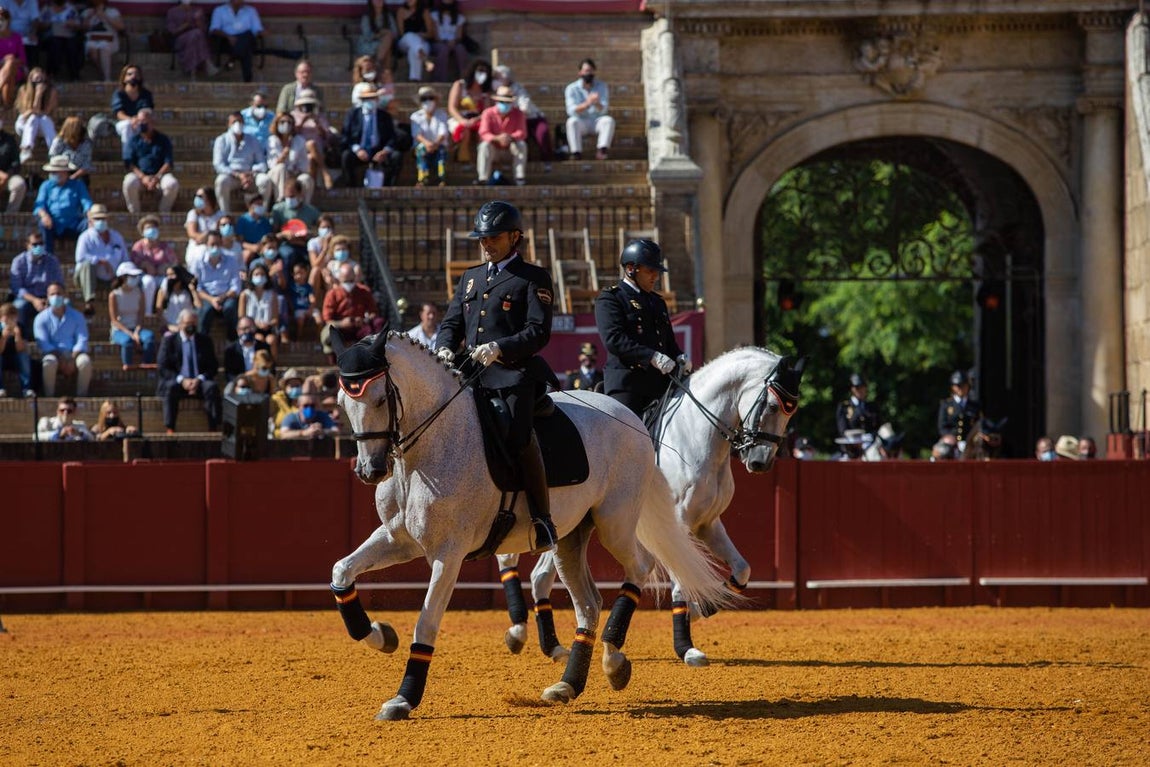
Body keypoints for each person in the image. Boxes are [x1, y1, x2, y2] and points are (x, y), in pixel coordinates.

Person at [435, 200, 557, 552]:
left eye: (493, 238)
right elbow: (451, 323)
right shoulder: (470, 277)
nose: (486, 244)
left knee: (517, 436)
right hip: (469, 372)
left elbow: (538, 332)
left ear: (514, 237)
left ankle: (541, 517)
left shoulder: (534, 278)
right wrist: (444, 347)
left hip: (511, 373)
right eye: (482, 238)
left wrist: (500, 348)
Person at [594, 239, 689, 417]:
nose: (655, 276)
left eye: (657, 272)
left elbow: (668, 341)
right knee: (625, 437)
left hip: (660, 384)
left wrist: (679, 355)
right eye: (650, 271)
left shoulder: (657, 302)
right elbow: (614, 340)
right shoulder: (611, 298)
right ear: (631, 268)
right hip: (628, 384)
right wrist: (651, 356)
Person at [156, 308, 221, 433]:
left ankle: (214, 427)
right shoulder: (169, 341)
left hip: (199, 381)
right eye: (188, 324)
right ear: (180, 324)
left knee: (212, 387)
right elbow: (163, 367)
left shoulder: (205, 341)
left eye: (194, 324)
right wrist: (182, 380)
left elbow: (213, 366)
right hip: (178, 381)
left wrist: (199, 379)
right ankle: (170, 428)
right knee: (170, 388)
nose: (191, 327)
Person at [33, 281, 92, 397]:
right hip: (53, 354)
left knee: (85, 361)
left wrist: (71, 359)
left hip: (74, 354)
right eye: (52, 294)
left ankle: (82, 397)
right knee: (48, 363)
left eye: (59, 293)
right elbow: (43, 343)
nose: (56, 297)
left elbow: (82, 339)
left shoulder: (77, 316)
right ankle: (49, 396)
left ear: (65, 295)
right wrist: (61, 358)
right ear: (47, 297)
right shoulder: (40, 318)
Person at [321, 261, 386, 360]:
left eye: (351, 281)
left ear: (355, 278)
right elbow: (327, 319)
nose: (349, 284)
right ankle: (337, 360)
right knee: (331, 332)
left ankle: (373, 356)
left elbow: (374, 312)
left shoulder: (363, 291)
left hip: (360, 327)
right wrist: (342, 323)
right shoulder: (332, 294)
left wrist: (364, 320)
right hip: (341, 329)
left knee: (378, 323)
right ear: (340, 278)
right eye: (346, 281)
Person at [213, 110, 271, 214]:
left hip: (251, 176)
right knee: (221, 181)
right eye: (234, 122)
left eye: (240, 121)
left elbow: (262, 163)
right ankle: (225, 214)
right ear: (228, 124)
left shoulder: (253, 140)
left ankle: (262, 211)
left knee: (265, 180)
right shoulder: (221, 140)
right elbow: (218, 164)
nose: (237, 124)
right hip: (232, 176)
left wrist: (250, 173)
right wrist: (238, 175)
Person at [122, 109, 179, 214]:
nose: (141, 124)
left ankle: (163, 212)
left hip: (159, 176)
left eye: (144, 121)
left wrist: (157, 177)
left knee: (172, 183)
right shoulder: (133, 140)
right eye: (139, 121)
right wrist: (143, 177)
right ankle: (135, 213)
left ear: (152, 122)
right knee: (129, 182)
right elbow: (129, 163)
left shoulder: (163, 139)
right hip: (140, 176)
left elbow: (168, 161)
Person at [73, 203, 127, 316]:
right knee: (87, 265)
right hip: (89, 278)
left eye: (103, 219)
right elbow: (80, 257)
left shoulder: (116, 237)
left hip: (111, 278)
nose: (100, 221)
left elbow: (125, 258)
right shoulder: (85, 237)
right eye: (97, 219)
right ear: (91, 221)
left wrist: (118, 276)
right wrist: (101, 261)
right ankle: (89, 301)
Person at [493, 64, 552, 165]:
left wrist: (514, 114)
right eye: (497, 77)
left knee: (542, 133)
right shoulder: (495, 91)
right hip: (513, 121)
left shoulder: (518, 89)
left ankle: (547, 160)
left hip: (531, 118)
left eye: (501, 77)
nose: (500, 79)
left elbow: (524, 106)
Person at [341, 88, 400, 187]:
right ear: (362, 101)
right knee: (346, 156)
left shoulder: (384, 116)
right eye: (366, 99)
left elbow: (392, 137)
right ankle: (351, 187)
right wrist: (358, 150)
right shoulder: (353, 115)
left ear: (377, 100)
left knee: (396, 156)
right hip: (359, 150)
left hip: (379, 151)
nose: (369, 101)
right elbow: (346, 136)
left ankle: (388, 188)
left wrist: (385, 151)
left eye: (372, 98)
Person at [34, 154, 91, 252]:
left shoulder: (78, 185)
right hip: (53, 224)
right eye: (52, 172)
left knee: (88, 224)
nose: (53, 174)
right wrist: (44, 215)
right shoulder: (46, 185)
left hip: (74, 224)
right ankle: (48, 257)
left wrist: (90, 213)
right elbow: (39, 205)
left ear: (65, 172)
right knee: (42, 224)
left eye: (55, 172)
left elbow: (86, 202)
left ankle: (85, 256)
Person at [9, 231, 62, 335]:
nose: (38, 247)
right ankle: (23, 339)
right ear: (27, 245)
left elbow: (58, 283)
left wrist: (49, 299)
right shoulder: (19, 261)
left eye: (41, 244)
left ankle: (58, 340)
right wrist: (34, 300)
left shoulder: (52, 261)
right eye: (35, 244)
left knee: (64, 304)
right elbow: (17, 287)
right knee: (19, 306)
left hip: (48, 296)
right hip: (27, 298)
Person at [193, 229, 241, 339]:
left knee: (230, 308)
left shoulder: (231, 260)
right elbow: (197, 287)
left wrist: (222, 297)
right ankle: (202, 343)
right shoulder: (198, 262)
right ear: (206, 245)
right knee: (205, 311)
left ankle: (233, 341)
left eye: (218, 244)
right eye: (212, 244)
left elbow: (235, 287)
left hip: (226, 296)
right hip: (207, 297)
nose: (215, 247)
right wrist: (211, 299)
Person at [564, 57, 614, 160]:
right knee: (571, 122)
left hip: (596, 120)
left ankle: (602, 150)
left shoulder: (602, 86)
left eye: (591, 71)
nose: (589, 74)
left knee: (608, 120)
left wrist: (597, 103)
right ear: (580, 73)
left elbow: (604, 109)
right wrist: (587, 103)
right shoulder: (571, 89)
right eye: (586, 71)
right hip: (581, 120)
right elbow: (571, 110)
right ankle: (576, 152)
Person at [107, 262, 156, 367]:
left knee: (149, 337)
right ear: (123, 278)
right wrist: (131, 334)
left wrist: (137, 331)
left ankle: (146, 363)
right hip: (120, 330)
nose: (135, 279)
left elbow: (140, 316)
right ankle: (127, 365)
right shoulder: (114, 295)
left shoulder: (139, 293)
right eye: (131, 276)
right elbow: (114, 320)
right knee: (127, 341)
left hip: (136, 328)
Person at [476, 84, 526, 186]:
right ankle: (483, 178)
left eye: (507, 102)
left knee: (521, 145)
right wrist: (497, 138)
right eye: (502, 101)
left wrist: (510, 137)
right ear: (496, 101)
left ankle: (519, 177)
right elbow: (483, 133)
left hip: (510, 150)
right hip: (493, 150)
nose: (504, 104)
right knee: (484, 146)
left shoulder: (518, 113)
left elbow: (522, 132)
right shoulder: (488, 113)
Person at [287, 88, 335, 191]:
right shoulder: (293, 116)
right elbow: (291, 133)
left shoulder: (320, 116)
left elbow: (327, 136)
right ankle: (325, 172)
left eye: (310, 105)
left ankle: (311, 188)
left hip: (318, 150)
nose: (307, 107)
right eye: (305, 105)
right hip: (299, 148)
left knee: (311, 157)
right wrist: (303, 121)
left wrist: (318, 124)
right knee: (310, 144)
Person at [130, 213, 177, 315]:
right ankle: (148, 312)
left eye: (153, 227)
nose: (151, 229)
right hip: (144, 277)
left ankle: (165, 312)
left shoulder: (164, 246)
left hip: (161, 276)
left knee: (168, 282)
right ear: (142, 231)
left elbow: (174, 263)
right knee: (148, 282)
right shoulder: (138, 246)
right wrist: (144, 265)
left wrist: (166, 268)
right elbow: (132, 265)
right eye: (148, 228)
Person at [446, 58, 490, 163]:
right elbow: (452, 107)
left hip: (478, 119)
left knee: (484, 131)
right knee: (464, 132)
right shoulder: (460, 85)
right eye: (480, 71)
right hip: (460, 118)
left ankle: (483, 160)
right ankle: (462, 159)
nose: (482, 74)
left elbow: (487, 110)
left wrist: (477, 119)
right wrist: (463, 121)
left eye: (485, 72)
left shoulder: (486, 91)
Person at [266, 110, 313, 206]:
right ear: (277, 124)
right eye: (282, 122)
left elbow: (304, 165)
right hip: (276, 174)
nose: (286, 125)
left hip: (294, 174)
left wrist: (294, 173)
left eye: (289, 122)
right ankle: (280, 202)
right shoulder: (271, 140)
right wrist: (284, 153)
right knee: (281, 168)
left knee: (306, 178)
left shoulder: (299, 140)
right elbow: (272, 165)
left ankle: (304, 206)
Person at [208, 0, 262, 83]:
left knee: (246, 38)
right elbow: (214, 29)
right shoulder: (219, 10)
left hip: (246, 38)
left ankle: (232, 59)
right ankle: (247, 80)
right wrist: (228, 36)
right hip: (227, 40)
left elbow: (256, 29)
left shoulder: (251, 11)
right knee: (245, 49)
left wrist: (263, 32)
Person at [111, 63, 153, 162]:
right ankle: (128, 157)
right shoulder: (119, 94)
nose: (133, 76)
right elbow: (119, 114)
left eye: (136, 74)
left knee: (138, 127)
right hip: (123, 124)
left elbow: (146, 110)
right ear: (124, 78)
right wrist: (131, 120)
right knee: (127, 125)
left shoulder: (145, 94)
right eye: (129, 74)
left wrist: (138, 120)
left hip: (141, 123)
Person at [12, 66, 55, 162]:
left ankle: (54, 151)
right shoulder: (24, 90)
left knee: (44, 119)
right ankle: (26, 149)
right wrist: (37, 95)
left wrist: (39, 96)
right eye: (36, 80)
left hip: (41, 124)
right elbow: (26, 113)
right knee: (33, 118)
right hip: (24, 123)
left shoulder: (51, 91)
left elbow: (47, 112)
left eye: (41, 80)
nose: (39, 83)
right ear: (30, 80)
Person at [238, 261, 280, 358]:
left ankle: (272, 366)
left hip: (268, 328)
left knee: (271, 340)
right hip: (250, 329)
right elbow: (241, 317)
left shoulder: (272, 295)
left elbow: (275, 318)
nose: (259, 277)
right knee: (258, 338)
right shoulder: (245, 295)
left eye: (262, 274)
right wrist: (254, 323)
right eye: (256, 274)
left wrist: (267, 324)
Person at [166, 0, 216, 78]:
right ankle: (207, 62)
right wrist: (185, 25)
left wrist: (198, 20)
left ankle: (192, 69)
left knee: (196, 34)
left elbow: (204, 31)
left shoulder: (197, 11)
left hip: (196, 38)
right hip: (180, 39)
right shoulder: (172, 11)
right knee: (196, 34)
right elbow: (172, 31)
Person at [410, 84, 448, 186]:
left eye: (430, 98)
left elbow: (443, 132)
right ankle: (423, 178)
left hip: (438, 145)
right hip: (422, 145)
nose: (428, 101)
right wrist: (427, 144)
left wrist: (435, 144)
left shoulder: (442, 114)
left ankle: (441, 179)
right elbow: (417, 134)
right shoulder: (416, 116)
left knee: (441, 152)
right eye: (424, 98)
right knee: (421, 150)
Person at [937, 369, 981, 451]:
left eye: (963, 385)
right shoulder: (946, 405)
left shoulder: (975, 406)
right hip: (951, 442)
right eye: (958, 386)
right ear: (953, 387)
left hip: (971, 442)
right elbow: (942, 427)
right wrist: (950, 438)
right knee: (942, 451)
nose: (961, 388)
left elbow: (978, 424)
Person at [80, 0, 123, 81]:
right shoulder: (87, 12)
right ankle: (102, 72)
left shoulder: (113, 11)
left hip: (109, 40)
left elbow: (121, 27)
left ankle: (107, 78)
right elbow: (83, 28)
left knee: (104, 47)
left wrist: (104, 16)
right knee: (92, 48)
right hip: (93, 39)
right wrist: (89, 16)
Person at [39, 0, 81, 81]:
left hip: (68, 35)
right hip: (50, 35)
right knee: (55, 43)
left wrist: (73, 24)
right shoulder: (47, 9)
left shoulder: (71, 9)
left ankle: (74, 76)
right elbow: (39, 24)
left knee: (71, 45)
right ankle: (51, 74)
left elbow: (78, 25)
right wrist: (47, 24)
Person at [183, 186, 223, 271]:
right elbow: (192, 234)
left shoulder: (220, 215)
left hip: (215, 245)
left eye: (200, 196)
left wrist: (205, 237)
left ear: (209, 198)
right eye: (196, 196)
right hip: (196, 246)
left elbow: (221, 234)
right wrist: (207, 235)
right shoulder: (193, 213)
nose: (197, 199)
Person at [395, 0, 435, 83]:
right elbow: (401, 33)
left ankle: (414, 79)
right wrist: (414, 35)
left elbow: (431, 33)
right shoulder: (401, 11)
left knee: (413, 51)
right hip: (405, 41)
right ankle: (425, 60)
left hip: (421, 41)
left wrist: (421, 35)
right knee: (410, 36)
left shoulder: (424, 12)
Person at [47, 114, 92, 186]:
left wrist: (73, 177)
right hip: (60, 171)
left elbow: (86, 165)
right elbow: (53, 159)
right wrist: (65, 176)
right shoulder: (59, 141)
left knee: (82, 181)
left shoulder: (85, 143)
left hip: (78, 173)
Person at [0, 302, 34, 397]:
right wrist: (4, 337)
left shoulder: (20, 327)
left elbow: (21, 349)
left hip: (15, 357)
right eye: (7, 318)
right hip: (2, 357)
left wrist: (17, 336)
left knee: (24, 357)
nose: (10, 321)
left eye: (12, 317)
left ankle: (26, 389)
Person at [155, 264, 200, 334]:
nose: (170, 278)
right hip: (170, 326)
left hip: (187, 326)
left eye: (172, 274)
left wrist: (193, 291)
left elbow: (198, 306)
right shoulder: (164, 290)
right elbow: (159, 310)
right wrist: (168, 325)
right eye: (168, 275)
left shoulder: (188, 291)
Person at [223, 314, 269, 380]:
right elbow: (229, 374)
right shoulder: (231, 350)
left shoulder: (263, 347)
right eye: (244, 329)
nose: (247, 331)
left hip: (259, 382)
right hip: (239, 384)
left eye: (250, 328)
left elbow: (270, 369)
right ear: (238, 331)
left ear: (255, 329)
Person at [835, 372, 879, 438]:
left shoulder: (872, 407)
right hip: (852, 445)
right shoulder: (844, 407)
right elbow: (843, 431)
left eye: (862, 387)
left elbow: (878, 427)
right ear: (852, 389)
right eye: (857, 388)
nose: (860, 390)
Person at [357, 0, 396, 74]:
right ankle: (385, 73)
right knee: (387, 47)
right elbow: (367, 36)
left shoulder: (388, 16)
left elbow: (395, 33)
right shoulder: (367, 17)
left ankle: (378, 66)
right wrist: (381, 33)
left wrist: (386, 34)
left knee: (388, 39)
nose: (379, 1)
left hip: (385, 44)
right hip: (368, 44)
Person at [0, 7, 29, 106]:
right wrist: (4, 61)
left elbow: (23, 59)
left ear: (8, 21)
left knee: (11, 65)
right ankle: (7, 105)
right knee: (9, 77)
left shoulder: (17, 37)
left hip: (16, 69)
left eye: (2, 20)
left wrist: (10, 60)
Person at [430, 0, 465, 81]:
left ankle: (464, 77)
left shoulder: (459, 18)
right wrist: (445, 42)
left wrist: (454, 41)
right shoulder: (434, 16)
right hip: (439, 43)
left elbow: (459, 36)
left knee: (461, 49)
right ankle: (440, 79)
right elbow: (435, 36)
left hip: (454, 43)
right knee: (443, 50)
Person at [286, 260, 319, 340]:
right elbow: (289, 299)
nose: (299, 276)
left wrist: (310, 309)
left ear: (306, 273)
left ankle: (319, 337)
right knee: (300, 320)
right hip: (298, 309)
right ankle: (299, 337)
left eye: (301, 273)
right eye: (296, 273)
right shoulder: (291, 287)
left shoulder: (308, 286)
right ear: (292, 274)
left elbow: (312, 299)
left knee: (319, 320)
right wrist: (292, 309)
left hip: (308, 308)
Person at [0, 111, 25, 211]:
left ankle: (10, 215)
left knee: (19, 184)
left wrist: (7, 174)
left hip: (7, 176)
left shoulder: (9, 139)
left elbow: (16, 162)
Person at [235, 194, 272, 261]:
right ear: (250, 205)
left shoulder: (265, 221)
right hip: (249, 249)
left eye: (261, 204)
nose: (260, 206)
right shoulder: (243, 220)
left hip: (263, 249)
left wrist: (263, 247)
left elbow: (268, 237)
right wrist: (252, 247)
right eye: (258, 204)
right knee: (247, 254)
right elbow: (240, 241)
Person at [269, 365, 303, 435]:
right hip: (279, 439)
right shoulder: (276, 400)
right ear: (285, 388)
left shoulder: (306, 402)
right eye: (292, 386)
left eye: (297, 386)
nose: (295, 389)